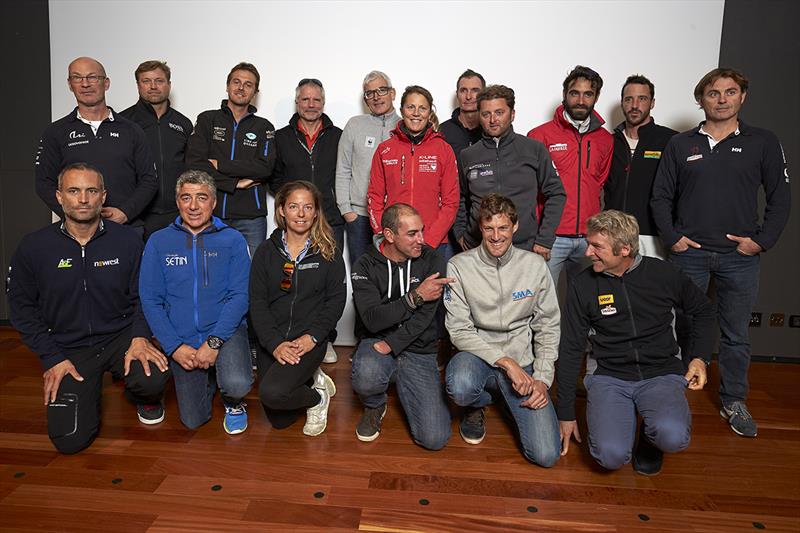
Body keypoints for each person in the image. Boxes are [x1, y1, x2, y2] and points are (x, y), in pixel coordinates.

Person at [651, 68, 791, 438]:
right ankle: (675, 392)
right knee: (682, 324)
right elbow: (661, 196)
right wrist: (673, 238)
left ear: (742, 97)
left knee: (735, 333)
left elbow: (780, 198)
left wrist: (760, 241)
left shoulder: (762, 142)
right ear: (701, 99)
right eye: (714, 93)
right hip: (688, 255)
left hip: (739, 257)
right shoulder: (682, 144)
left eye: (730, 92)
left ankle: (733, 400)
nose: (722, 99)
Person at [8, 163, 169, 454]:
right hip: (69, 347)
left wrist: (139, 336)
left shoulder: (128, 241)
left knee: (152, 376)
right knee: (69, 441)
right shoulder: (34, 247)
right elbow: (21, 308)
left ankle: (143, 397)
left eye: (91, 190)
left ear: (103, 196)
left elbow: (146, 295)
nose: (83, 199)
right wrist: (52, 358)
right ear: (59, 197)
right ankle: (88, 390)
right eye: (74, 191)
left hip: (119, 337)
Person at [557, 210, 715, 475]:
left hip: (660, 372)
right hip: (610, 375)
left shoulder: (663, 274)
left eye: (597, 246)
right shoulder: (583, 285)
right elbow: (571, 347)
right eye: (589, 243)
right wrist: (565, 413)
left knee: (673, 437)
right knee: (610, 457)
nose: (587, 252)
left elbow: (705, 311)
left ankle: (649, 436)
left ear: (624, 249)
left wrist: (699, 358)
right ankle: (622, 417)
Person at [445, 194, 560, 467]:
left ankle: (506, 398)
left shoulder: (535, 266)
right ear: (480, 228)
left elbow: (548, 325)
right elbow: (459, 330)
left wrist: (542, 379)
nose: (496, 236)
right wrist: (506, 363)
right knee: (459, 386)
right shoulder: (459, 266)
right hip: (477, 355)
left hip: (524, 359)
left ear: (515, 227)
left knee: (545, 455)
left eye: (503, 228)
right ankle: (478, 403)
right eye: (489, 228)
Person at [139, 170, 253, 434]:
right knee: (192, 419)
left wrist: (213, 344)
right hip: (181, 335)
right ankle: (212, 375)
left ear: (213, 202)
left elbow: (240, 296)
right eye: (186, 198)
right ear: (177, 202)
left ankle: (232, 401)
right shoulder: (159, 241)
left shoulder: (232, 240)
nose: (193, 206)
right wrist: (174, 346)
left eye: (201, 198)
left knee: (236, 383)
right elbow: (150, 299)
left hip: (225, 329)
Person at [350, 203, 452, 449]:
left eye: (422, 231)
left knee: (434, 439)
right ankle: (375, 404)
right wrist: (415, 296)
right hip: (376, 340)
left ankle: (403, 377)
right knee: (366, 377)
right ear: (389, 235)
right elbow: (373, 319)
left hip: (418, 347)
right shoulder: (364, 264)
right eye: (412, 234)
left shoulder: (432, 259)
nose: (421, 239)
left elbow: (425, 317)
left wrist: (392, 343)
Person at [249, 181, 346, 436]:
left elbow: (336, 301)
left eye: (307, 207)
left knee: (273, 393)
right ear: (281, 210)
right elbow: (257, 303)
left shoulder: (329, 251)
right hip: (274, 338)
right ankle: (313, 387)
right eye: (293, 206)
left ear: (316, 212)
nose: (301, 214)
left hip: (308, 339)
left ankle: (317, 398)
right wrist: (274, 343)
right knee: (280, 418)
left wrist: (312, 337)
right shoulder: (265, 252)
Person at [35, 57, 157, 230]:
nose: (85, 84)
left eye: (92, 77)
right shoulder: (55, 132)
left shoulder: (132, 130)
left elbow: (149, 180)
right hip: (76, 231)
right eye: (77, 78)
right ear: (70, 84)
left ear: (106, 83)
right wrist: (76, 216)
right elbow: (43, 183)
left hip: (126, 228)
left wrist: (126, 212)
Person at [273, 78, 343, 363]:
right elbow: (274, 176)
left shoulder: (339, 135)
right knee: (296, 279)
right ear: (297, 102)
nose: (311, 104)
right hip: (295, 219)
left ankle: (324, 338)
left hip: (331, 217)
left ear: (323, 103)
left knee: (328, 281)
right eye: (305, 99)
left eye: (316, 99)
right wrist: (291, 202)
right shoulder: (281, 137)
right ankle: (293, 335)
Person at [455, 85, 565, 254]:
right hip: (478, 247)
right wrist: (461, 234)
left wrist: (545, 239)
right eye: (486, 114)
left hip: (524, 247)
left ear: (512, 114)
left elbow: (556, 193)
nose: (493, 120)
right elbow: (458, 197)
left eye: (499, 112)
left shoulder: (534, 149)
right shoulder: (468, 155)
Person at [528, 65, 613, 284]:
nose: (581, 100)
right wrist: (542, 236)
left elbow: (599, 182)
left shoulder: (605, 139)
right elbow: (532, 189)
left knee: (588, 303)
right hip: (551, 238)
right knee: (544, 302)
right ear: (565, 94)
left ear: (596, 97)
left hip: (590, 238)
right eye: (575, 93)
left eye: (588, 94)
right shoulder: (539, 135)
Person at [186, 62, 276, 257]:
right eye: (236, 82)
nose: (241, 88)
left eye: (248, 84)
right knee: (210, 271)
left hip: (251, 218)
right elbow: (195, 164)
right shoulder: (207, 120)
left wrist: (221, 164)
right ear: (227, 86)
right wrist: (234, 183)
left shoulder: (264, 127)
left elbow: (265, 168)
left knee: (253, 274)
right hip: (211, 212)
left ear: (255, 92)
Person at [367, 85, 459, 262]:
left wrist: (429, 240)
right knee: (394, 291)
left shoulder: (443, 149)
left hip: (433, 243)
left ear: (429, 113)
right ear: (402, 110)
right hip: (394, 243)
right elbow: (374, 198)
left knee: (431, 290)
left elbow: (451, 202)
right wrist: (384, 235)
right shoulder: (384, 150)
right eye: (410, 107)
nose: (416, 113)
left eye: (422, 108)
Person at [604, 75, 676, 259]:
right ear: (622, 103)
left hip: (654, 236)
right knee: (613, 287)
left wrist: (672, 232)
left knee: (652, 287)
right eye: (629, 99)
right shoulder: (609, 142)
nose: (634, 105)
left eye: (642, 99)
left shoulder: (670, 140)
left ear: (652, 103)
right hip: (614, 234)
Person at [120, 60, 193, 240]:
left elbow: (190, 167)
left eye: (159, 81)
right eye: (146, 81)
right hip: (137, 215)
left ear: (169, 84)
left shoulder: (183, 123)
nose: (153, 86)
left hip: (176, 213)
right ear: (138, 86)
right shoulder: (123, 122)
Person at [336, 70, 400, 266]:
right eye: (370, 93)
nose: (376, 97)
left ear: (393, 93)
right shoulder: (354, 125)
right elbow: (343, 169)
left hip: (396, 216)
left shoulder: (405, 125)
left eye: (382, 90)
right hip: (360, 217)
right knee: (361, 273)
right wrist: (347, 210)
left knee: (396, 273)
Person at [439, 69, 485, 156]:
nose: (468, 96)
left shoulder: (490, 130)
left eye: (475, 90)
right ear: (457, 94)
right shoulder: (441, 132)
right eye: (463, 90)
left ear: (483, 94)